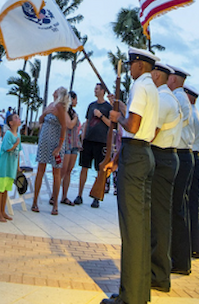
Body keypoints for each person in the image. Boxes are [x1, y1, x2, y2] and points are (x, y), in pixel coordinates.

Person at [102, 47, 159, 304]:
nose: (129, 68)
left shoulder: (139, 86)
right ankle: (138, 292)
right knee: (141, 227)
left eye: (131, 64)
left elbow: (132, 125)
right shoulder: (153, 89)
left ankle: (129, 298)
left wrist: (117, 116)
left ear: (139, 66)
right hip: (145, 153)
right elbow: (147, 127)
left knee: (131, 229)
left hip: (135, 157)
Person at [150, 62, 182, 293]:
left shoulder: (162, 99)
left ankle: (158, 273)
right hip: (166, 157)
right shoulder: (169, 98)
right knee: (161, 218)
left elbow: (150, 133)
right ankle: (159, 270)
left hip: (161, 158)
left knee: (159, 220)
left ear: (157, 74)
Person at [167, 64, 195, 276]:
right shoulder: (183, 98)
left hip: (182, 154)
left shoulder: (177, 98)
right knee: (179, 210)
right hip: (186, 156)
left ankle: (179, 260)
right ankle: (180, 260)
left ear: (174, 80)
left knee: (176, 211)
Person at [31, 87, 69, 215]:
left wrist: (59, 146)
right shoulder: (51, 105)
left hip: (54, 142)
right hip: (44, 140)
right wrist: (45, 112)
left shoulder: (59, 107)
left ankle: (55, 204)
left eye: (56, 90)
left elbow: (64, 126)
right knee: (40, 170)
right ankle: (35, 201)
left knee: (55, 173)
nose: (54, 91)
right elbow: (40, 120)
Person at [74, 83, 112, 208]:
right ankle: (79, 195)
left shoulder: (107, 107)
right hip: (88, 140)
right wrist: (82, 139)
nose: (95, 90)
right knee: (84, 167)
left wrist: (101, 116)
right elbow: (87, 122)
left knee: (99, 170)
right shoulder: (91, 105)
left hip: (101, 142)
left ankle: (96, 197)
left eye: (97, 89)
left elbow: (111, 124)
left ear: (102, 91)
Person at [184, 84, 199, 260]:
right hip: (197, 158)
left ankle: (193, 246)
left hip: (193, 158)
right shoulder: (194, 112)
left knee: (191, 205)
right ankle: (194, 245)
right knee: (194, 205)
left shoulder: (190, 114)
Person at [0, 114, 22, 222]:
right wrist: (16, 144)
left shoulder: (18, 135)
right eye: (16, 118)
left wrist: (18, 167)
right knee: (0, 189)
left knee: (6, 190)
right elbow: (8, 148)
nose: (18, 119)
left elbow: (18, 152)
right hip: (5, 167)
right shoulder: (8, 134)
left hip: (12, 167)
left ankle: (2, 211)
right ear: (10, 123)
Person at [59, 91, 80, 206]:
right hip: (67, 143)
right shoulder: (66, 111)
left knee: (69, 171)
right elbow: (70, 125)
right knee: (62, 171)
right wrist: (76, 118)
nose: (77, 102)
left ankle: (64, 196)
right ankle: (55, 195)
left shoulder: (73, 112)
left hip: (74, 144)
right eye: (76, 99)